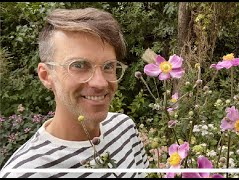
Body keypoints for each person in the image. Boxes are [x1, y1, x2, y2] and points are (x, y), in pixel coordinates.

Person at [0, 8, 149, 178]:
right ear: (46, 76)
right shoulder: (26, 173)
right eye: (79, 65)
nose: (100, 83)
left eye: (108, 66)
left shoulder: (124, 129)